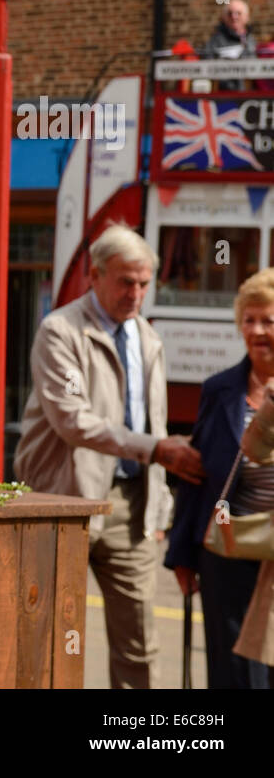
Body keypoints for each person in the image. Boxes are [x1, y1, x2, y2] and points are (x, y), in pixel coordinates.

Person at [15, 223, 204, 688]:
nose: (136, 293)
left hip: (134, 506)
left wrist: (160, 505)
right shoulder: (59, 331)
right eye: (125, 281)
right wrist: (156, 450)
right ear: (94, 276)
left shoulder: (148, 339)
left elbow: (154, 419)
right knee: (55, 636)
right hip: (65, 500)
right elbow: (72, 420)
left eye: (143, 283)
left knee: (139, 646)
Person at [166, 269, 274, 688]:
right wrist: (183, 553)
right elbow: (198, 473)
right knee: (230, 667)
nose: (257, 330)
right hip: (228, 547)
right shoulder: (219, 389)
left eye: (268, 320)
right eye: (249, 320)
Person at [201, 0, 257, 91]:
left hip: (249, 95)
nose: (234, 17)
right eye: (230, 13)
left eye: (238, 13)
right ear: (224, 17)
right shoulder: (215, 40)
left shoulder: (251, 40)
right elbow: (206, 62)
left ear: (247, 17)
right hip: (223, 95)